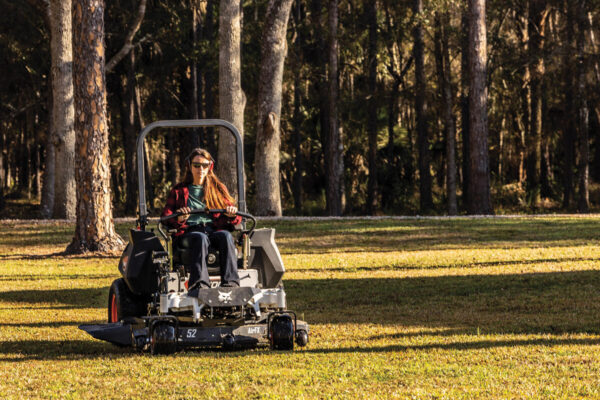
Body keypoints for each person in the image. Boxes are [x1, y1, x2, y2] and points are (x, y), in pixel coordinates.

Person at [161, 148, 242, 293]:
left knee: (226, 236)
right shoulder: (179, 191)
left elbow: (235, 216)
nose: (200, 169)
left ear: (210, 167)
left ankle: (231, 284)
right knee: (200, 238)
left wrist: (232, 214)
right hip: (189, 232)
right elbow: (166, 217)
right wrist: (179, 218)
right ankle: (199, 285)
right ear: (189, 166)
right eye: (196, 165)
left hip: (213, 229)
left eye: (204, 165)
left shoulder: (217, 189)